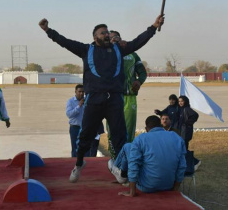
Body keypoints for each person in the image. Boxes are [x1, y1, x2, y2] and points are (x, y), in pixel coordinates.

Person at [38, 14, 165, 183]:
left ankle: (120, 168)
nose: (106, 34)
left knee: (120, 136)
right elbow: (64, 41)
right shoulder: (86, 50)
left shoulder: (119, 50)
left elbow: (138, 42)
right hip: (94, 100)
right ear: (95, 37)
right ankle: (79, 163)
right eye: (102, 32)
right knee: (85, 136)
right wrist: (48, 30)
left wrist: (153, 27)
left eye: (107, 32)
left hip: (115, 99)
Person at [108, 115, 186, 196]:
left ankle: (120, 172)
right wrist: (175, 188)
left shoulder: (141, 138)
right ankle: (121, 174)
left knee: (127, 147)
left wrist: (132, 191)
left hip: (146, 186)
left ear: (146, 129)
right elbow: (182, 166)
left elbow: (133, 164)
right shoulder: (176, 138)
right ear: (161, 125)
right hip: (169, 185)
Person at [107, 30, 147, 158]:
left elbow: (143, 73)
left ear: (120, 38)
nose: (114, 39)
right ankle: (114, 157)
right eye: (110, 37)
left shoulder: (133, 55)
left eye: (116, 37)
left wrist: (139, 81)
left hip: (129, 97)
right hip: (112, 98)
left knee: (128, 129)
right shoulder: (105, 54)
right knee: (112, 129)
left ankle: (127, 157)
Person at [66, 84, 102, 157]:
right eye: (79, 91)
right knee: (75, 148)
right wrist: (79, 106)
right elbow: (69, 114)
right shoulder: (70, 101)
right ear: (75, 92)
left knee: (86, 148)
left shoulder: (88, 100)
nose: (81, 93)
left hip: (86, 128)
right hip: (75, 128)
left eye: (83, 92)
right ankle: (75, 164)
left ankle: (86, 164)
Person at [177, 95, 201, 171]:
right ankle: (187, 164)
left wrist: (188, 123)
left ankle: (195, 162)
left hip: (185, 133)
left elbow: (195, 115)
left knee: (183, 149)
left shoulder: (187, 109)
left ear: (185, 102)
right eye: (179, 101)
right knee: (182, 149)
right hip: (181, 132)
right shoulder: (180, 109)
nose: (180, 103)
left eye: (182, 101)